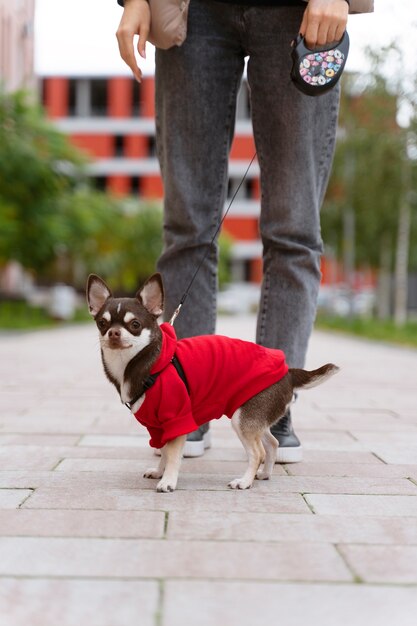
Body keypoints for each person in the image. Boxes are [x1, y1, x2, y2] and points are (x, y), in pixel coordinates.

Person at [115, 0, 349, 461]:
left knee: (295, 230)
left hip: (297, 11)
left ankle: (273, 403)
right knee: (187, 227)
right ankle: (183, 402)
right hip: (192, 13)